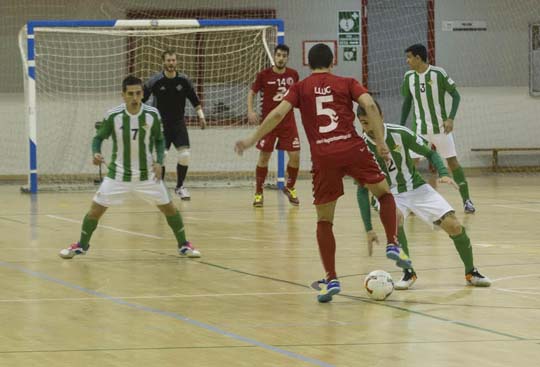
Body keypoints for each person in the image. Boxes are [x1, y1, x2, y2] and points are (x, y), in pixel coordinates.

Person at [235, 44, 412, 303]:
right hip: (352, 148)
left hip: (323, 156)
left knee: (324, 221)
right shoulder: (347, 82)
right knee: (384, 194)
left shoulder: (300, 87)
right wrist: (382, 142)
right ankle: (393, 243)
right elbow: (370, 106)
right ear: (332, 63)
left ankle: (331, 279)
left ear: (308, 64)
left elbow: (276, 114)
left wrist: (252, 139)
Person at [59, 76, 201, 259]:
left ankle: (183, 245)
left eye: (139, 93)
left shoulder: (152, 114)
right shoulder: (113, 115)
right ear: (123, 95)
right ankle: (81, 245)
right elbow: (98, 138)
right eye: (131, 94)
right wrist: (96, 153)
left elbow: (159, 140)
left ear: (143, 93)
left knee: (170, 210)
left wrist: (159, 161)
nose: (135, 97)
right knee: (95, 211)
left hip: (148, 175)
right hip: (118, 175)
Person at [356, 101, 491, 289]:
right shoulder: (358, 148)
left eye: (372, 120)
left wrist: (443, 173)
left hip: (417, 187)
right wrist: (368, 228)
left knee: (454, 226)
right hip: (387, 193)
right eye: (364, 122)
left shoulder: (400, 133)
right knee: (395, 217)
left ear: (381, 117)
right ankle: (408, 273)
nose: (369, 126)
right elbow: (361, 191)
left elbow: (431, 153)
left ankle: (471, 272)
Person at [400, 44, 475, 213]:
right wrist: (401, 125)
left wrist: (450, 118)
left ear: (418, 58)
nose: (407, 61)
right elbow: (407, 102)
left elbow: (456, 95)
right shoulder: (408, 77)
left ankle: (467, 201)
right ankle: (411, 201)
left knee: (452, 162)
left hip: (441, 128)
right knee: (411, 164)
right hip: (420, 130)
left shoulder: (438, 73)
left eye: (409, 57)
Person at [143, 50, 206, 200]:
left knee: (185, 155)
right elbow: (142, 100)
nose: (171, 63)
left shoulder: (184, 80)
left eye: (173, 60)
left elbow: (194, 100)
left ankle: (180, 187)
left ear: (176, 62)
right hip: (161, 124)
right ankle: (161, 188)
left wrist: (201, 117)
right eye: (168, 61)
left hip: (178, 124)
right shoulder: (155, 81)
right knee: (162, 156)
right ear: (163, 62)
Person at [248, 44, 301, 207]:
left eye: (284, 56)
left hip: (288, 121)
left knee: (295, 156)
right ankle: (258, 192)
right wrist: (250, 111)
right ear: (274, 56)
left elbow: (298, 96)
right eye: (278, 55)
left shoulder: (293, 75)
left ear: (287, 57)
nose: (281, 58)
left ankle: (290, 187)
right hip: (269, 122)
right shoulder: (263, 75)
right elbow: (252, 92)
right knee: (264, 157)